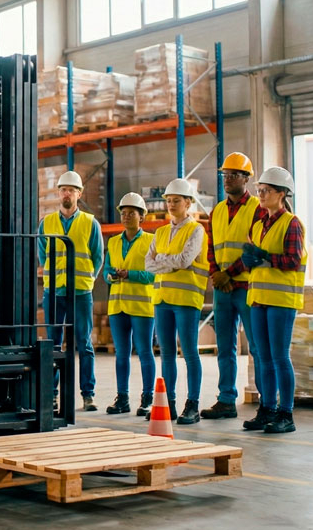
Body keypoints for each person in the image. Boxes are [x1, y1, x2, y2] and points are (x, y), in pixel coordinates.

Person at [240, 166, 305, 434]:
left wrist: (265, 256)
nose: (261, 195)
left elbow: (293, 260)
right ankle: (267, 408)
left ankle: (285, 414)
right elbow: (255, 263)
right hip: (258, 299)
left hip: (281, 300)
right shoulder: (258, 225)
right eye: (259, 191)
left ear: (282, 194)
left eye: (266, 191)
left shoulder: (292, 223)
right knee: (262, 358)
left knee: (279, 357)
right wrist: (249, 260)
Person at [202, 153, 262, 420]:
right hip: (223, 289)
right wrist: (217, 275)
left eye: (233, 175)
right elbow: (212, 248)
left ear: (246, 179)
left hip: (247, 286)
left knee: (257, 346)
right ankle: (227, 399)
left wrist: (229, 274)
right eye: (224, 175)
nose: (227, 179)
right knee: (225, 347)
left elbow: (255, 249)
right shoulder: (216, 211)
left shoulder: (258, 209)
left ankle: (266, 400)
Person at [144, 178, 209, 424]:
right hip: (162, 300)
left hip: (186, 299)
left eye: (176, 200)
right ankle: (168, 403)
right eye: (169, 201)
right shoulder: (160, 232)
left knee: (190, 353)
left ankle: (192, 405)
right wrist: (167, 260)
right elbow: (149, 264)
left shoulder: (196, 230)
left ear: (188, 202)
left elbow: (185, 260)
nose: (171, 204)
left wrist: (163, 259)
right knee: (167, 354)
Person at [39, 171, 104, 412]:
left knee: (84, 344)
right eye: (63, 189)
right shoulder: (46, 223)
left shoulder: (90, 222)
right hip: (55, 292)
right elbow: (42, 255)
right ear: (59, 193)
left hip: (80, 292)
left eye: (71, 190)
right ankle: (51, 395)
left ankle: (88, 394)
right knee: (53, 345)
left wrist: (86, 280)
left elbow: (98, 256)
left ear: (79, 193)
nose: (66, 194)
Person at [102, 193, 156, 416]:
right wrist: (111, 276)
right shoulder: (113, 242)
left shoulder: (151, 241)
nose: (126, 217)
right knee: (121, 354)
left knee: (144, 352)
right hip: (118, 306)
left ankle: (148, 398)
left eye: (131, 213)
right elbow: (106, 271)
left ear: (141, 216)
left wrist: (130, 274)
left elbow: (154, 275)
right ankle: (122, 398)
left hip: (142, 307)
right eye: (123, 213)